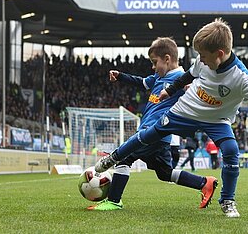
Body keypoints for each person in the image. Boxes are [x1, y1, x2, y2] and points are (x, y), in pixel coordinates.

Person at [95, 18, 248, 218]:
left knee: (231, 150)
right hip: (186, 109)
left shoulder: (241, 77)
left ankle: (227, 200)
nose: (200, 59)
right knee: (150, 133)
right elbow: (188, 76)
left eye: (202, 55)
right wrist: (170, 90)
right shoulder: (202, 60)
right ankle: (113, 159)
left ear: (219, 54)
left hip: (217, 119)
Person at [88, 37, 218, 211]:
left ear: (167, 58)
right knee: (165, 174)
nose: (153, 67)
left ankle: (113, 200)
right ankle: (204, 183)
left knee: (124, 158)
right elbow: (141, 82)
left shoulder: (181, 78)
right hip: (159, 136)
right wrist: (121, 77)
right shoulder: (158, 77)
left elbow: (197, 94)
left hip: (153, 131)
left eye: (154, 62)